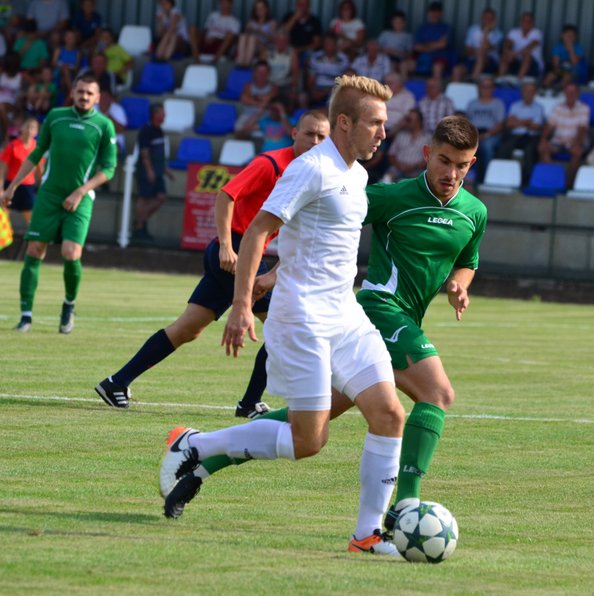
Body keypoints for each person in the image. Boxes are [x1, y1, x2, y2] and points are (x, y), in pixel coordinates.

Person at [164, 116, 486, 549]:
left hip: (407, 319)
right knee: (437, 393)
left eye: (461, 165)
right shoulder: (391, 196)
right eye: (444, 161)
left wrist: (458, 286)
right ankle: (405, 509)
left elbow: (468, 259)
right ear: (427, 155)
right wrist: (277, 272)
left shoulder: (475, 212)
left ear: (473, 163)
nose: (451, 174)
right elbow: (324, 226)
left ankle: (202, 461)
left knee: (310, 428)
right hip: (378, 311)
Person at [159, 76, 406, 557]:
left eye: (384, 124)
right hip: (304, 319)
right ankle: (195, 443)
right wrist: (241, 304)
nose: (383, 133)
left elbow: (315, 249)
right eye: (375, 123)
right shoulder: (310, 169)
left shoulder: (357, 175)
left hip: (346, 314)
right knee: (307, 441)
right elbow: (256, 233)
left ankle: (366, 536)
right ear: (344, 122)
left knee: (390, 413)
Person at [96, 110, 330, 412]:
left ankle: (116, 382)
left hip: (245, 253)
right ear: (294, 133)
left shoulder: (309, 174)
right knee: (283, 328)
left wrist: (272, 269)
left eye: (321, 136)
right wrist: (224, 246)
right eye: (309, 133)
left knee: (187, 329)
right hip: (236, 251)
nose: (314, 140)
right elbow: (225, 195)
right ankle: (249, 403)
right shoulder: (270, 164)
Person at [2, 74, 116, 334]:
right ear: (73, 93)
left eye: (90, 93)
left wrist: (81, 191)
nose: (84, 96)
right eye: (80, 91)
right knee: (34, 250)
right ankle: (26, 315)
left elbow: (109, 169)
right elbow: (37, 153)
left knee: (71, 252)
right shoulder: (55, 116)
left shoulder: (103, 125)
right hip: (49, 195)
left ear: (98, 97)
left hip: (81, 197)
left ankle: (68, 306)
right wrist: (12, 186)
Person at [537, 81, 590, 186]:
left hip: (574, 141)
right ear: (564, 93)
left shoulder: (584, 108)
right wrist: (543, 140)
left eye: (573, 92)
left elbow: (582, 129)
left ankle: (568, 184)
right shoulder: (557, 107)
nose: (570, 95)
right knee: (542, 148)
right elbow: (549, 126)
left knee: (577, 152)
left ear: (578, 93)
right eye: (568, 92)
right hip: (558, 141)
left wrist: (577, 143)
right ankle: (555, 178)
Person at [133, 103, 169, 241]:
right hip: (146, 171)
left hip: (158, 171)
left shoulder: (159, 130)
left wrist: (165, 170)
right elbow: (144, 153)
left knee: (161, 197)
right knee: (144, 198)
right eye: (162, 113)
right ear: (155, 114)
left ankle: (139, 221)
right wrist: (149, 170)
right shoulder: (146, 130)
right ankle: (139, 227)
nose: (165, 116)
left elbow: (158, 152)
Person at [497, 79, 543, 182]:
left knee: (530, 151)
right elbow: (509, 124)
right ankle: (502, 177)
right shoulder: (515, 106)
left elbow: (536, 126)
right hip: (515, 136)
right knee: (503, 148)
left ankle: (526, 180)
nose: (528, 94)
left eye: (531, 91)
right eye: (526, 91)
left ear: (535, 93)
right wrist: (527, 122)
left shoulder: (538, 108)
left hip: (531, 137)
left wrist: (518, 121)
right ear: (522, 92)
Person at [0, 116, 41, 227]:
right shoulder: (12, 146)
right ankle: (4, 242)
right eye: (27, 126)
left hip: (27, 188)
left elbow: (40, 170)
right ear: (22, 128)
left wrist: (43, 187)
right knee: (3, 219)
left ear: (37, 131)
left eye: (33, 128)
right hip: (11, 185)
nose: (29, 130)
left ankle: (33, 242)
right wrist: (1, 189)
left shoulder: (37, 148)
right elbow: (2, 169)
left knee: (31, 221)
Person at [465, 76, 505, 182]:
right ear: (479, 88)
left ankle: (484, 178)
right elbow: (467, 122)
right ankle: (464, 178)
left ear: (493, 89)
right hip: (474, 133)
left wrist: (485, 135)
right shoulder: (472, 103)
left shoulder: (498, 104)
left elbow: (500, 125)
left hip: (491, 134)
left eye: (488, 87)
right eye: (483, 87)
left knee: (487, 146)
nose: (485, 89)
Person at [452, 7, 502, 82]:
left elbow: (486, 48)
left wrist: (486, 31)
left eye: (490, 18)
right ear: (482, 18)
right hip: (472, 59)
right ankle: (454, 92)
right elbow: (467, 51)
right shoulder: (473, 30)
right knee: (457, 70)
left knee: (481, 56)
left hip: (490, 62)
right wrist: (477, 52)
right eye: (486, 18)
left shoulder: (498, 33)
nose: (488, 20)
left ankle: (473, 82)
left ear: (494, 20)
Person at [306, 32, 349, 107]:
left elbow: (345, 80)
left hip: (335, 89)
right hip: (318, 88)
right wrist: (313, 91)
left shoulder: (343, 59)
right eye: (326, 43)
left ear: (335, 45)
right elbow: (310, 79)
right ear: (323, 44)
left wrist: (327, 91)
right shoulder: (315, 57)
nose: (328, 45)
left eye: (331, 43)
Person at [384, 108, 428, 181]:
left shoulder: (428, 138)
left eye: (409, 119)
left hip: (417, 172)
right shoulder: (401, 135)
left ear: (418, 122)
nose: (406, 122)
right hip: (397, 170)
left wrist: (413, 167)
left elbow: (429, 159)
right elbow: (391, 155)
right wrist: (399, 166)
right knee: (386, 180)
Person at [498, 11, 543, 81]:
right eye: (524, 20)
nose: (526, 23)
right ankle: (500, 80)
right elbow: (507, 43)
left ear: (533, 23)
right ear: (520, 22)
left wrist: (515, 54)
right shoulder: (514, 32)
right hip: (517, 62)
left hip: (533, 65)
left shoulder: (537, 33)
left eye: (529, 21)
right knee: (505, 55)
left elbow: (530, 47)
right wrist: (508, 51)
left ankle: (518, 82)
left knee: (527, 55)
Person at [412, 1, 452, 79]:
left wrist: (425, 46)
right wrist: (434, 45)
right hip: (421, 57)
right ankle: (403, 90)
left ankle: (435, 90)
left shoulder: (446, 28)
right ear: (429, 13)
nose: (435, 14)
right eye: (433, 11)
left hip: (439, 57)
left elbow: (443, 44)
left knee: (437, 67)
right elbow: (416, 47)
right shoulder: (422, 28)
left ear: (441, 13)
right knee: (405, 65)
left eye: (437, 12)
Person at [542, 24, 587, 90]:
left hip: (575, 71)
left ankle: (558, 90)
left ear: (575, 38)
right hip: (561, 70)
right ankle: (544, 91)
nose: (569, 37)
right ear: (562, 35)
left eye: (572, 36)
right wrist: (557, 71)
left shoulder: (578, 48)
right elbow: (555, 64)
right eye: (567, 35)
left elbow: (575, 62)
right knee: (550, 76)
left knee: (567, 77)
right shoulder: (557, 47)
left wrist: (571, 49)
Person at [235, 0, 277, 68]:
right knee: (243, 36)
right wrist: (248, 30)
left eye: (261, 8)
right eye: (257, 9)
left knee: (253, 39)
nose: (259, 10)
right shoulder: (251, 22)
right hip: (251, 45)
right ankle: (242, 61)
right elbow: (246, 36)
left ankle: (246, 63)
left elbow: (273, 39)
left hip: (264, 45)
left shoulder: (272, 23)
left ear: (266, 9)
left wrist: (260, 32)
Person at [377, 10, 413, 77]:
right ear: (392, 23)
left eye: (400, 22)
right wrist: (386, 50)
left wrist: (398, 52)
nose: (398, 24)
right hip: (385, 58)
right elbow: (376, 47)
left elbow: (409, 53)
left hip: (399, 59)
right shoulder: (385, 34)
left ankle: (402, 85)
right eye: (396, 22)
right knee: (390, 64)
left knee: (401, 65)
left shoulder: (407, 36)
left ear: (404, 23)